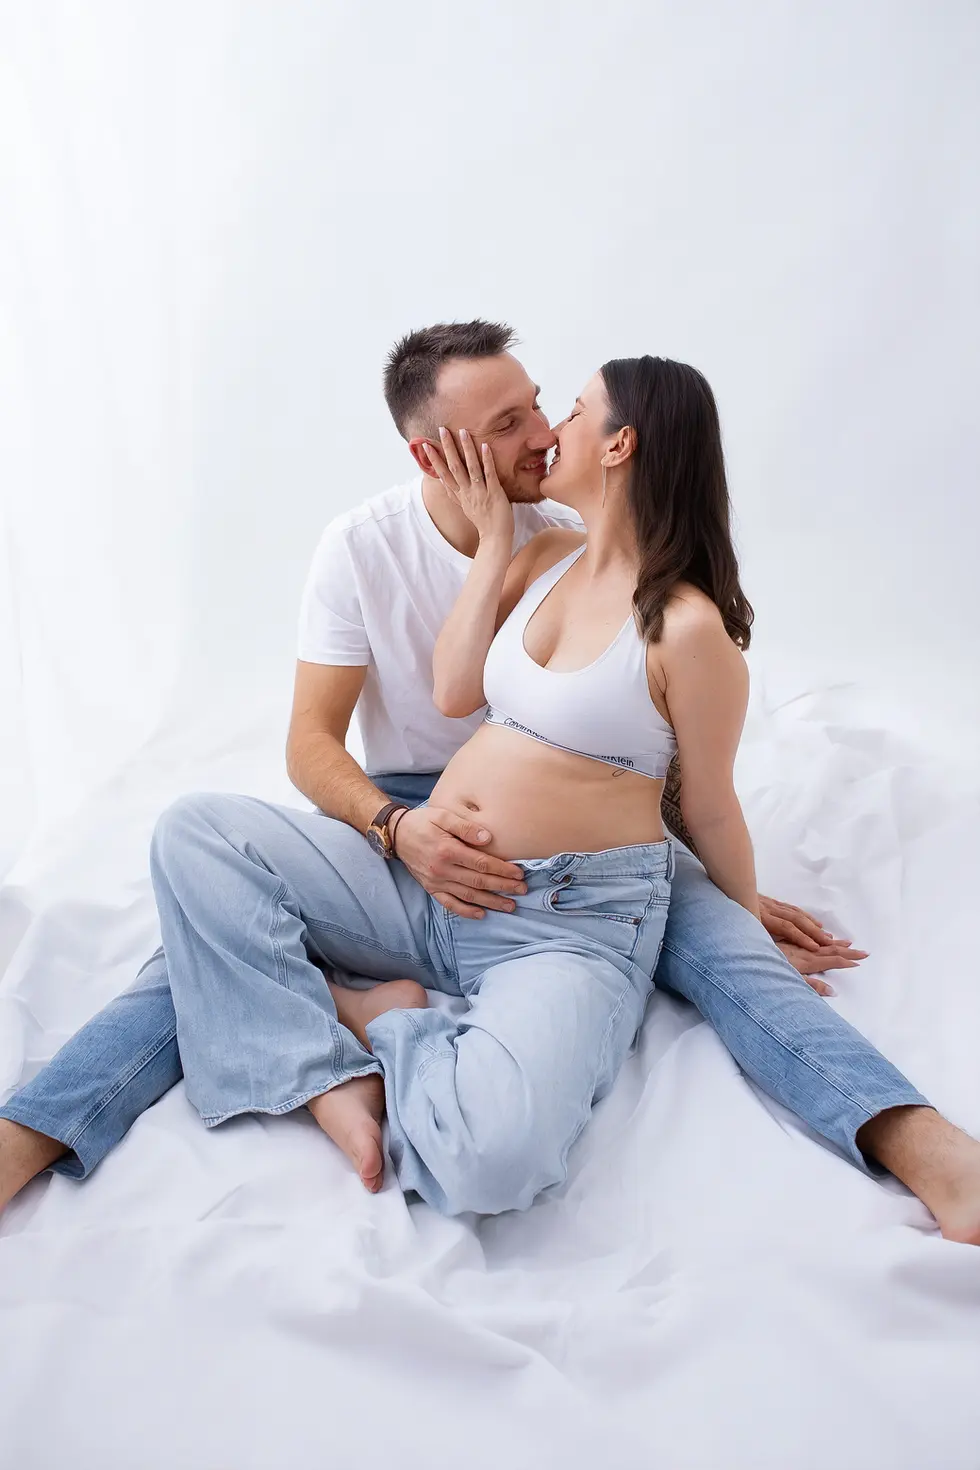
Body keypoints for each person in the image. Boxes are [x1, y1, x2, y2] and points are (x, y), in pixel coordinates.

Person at [1, 324, 978, 1232]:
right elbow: (323, 740)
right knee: (195, 864)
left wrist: (734, 891)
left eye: (548, 407)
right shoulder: (383, 547)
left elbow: (686, 778)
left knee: (732, 955)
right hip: (406, 835)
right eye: (508, 423)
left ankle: (914, 1139)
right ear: (435, 454)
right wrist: (396, 829)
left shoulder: (612, 568)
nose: (542, 434)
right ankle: (78, 1118)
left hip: (578, 884)